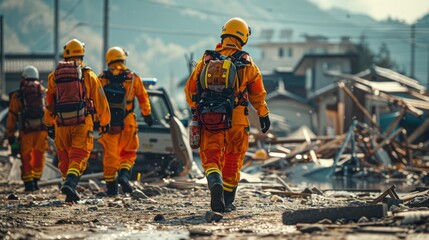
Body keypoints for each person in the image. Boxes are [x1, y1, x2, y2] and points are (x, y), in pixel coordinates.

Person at [184, 17, 270, 212]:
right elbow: (258, 93)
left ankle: (215, 182)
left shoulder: (206, 60)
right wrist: (264, 114)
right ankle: (228, 201)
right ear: (243, 37)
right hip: (237, 119)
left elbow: (190, 90)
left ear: (224, 34)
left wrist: (196, 108)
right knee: (233, 157)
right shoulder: (247, 63)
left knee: (211, 156)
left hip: (210, 117)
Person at [44, 38, 111, 203]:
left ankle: (68, 194)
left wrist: (48, 124)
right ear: (82, 53)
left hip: (60, 124)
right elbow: (101, 101)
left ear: (65, 55)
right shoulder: (89, 75)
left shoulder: (54, 77)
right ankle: (71, 185)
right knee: (79, 155)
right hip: (82, 122)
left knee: (65, 158)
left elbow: (49, 104)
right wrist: (105, 121)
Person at [97, 47, 152, 196]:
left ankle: (112, 190)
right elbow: (143, 97)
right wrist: (147, 114)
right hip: (128, 121)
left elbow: (96, 100)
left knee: (110, 156)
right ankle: (124, 175)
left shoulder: (102, 78)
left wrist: (97, 120)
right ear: (123, 59)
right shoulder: (132, 77)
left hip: (108, 124)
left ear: (109, 60)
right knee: (128, 152)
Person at [7, 65, 49, 192]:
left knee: (26, 157)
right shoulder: (43, 92)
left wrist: (10, 134)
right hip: (41, 131)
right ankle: (36, 181)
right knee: (39, 155)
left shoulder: (18, 95)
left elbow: (12, 116)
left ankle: (28, 184)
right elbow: (49, 111)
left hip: (26, 132)